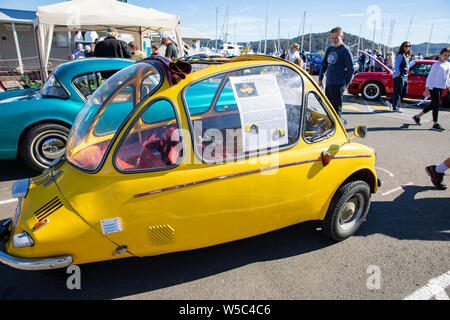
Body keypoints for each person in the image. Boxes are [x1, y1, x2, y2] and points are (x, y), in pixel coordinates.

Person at [318, 27, 354, 125]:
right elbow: (324, 65)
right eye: (332, 38)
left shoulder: (345, 50)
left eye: (336, 38)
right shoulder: (330, 49)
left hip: (339, 84)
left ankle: (337, 127)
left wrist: (346, 83)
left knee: (336, 108)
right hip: (329, 83)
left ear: (341, 37)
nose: (334, 40)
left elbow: (351, 69)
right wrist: (320, 79)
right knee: (328, 107)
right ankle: (329, 126)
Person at [412, 47, 450, 131]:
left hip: (441, 87)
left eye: (448, 55)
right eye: (444, 55)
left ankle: (417, 116)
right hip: (434, 87)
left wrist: (448, 86)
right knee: (436, 105)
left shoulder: (448, 64)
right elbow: (430, 78)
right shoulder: (436, 65)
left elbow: (447, 77)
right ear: (440, 55)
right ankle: (435, 124)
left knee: (433, 105)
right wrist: (427, 89)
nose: (446, 57)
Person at [391, 41, 411, 112]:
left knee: (404, 92)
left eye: (409, 46)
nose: (407, 47)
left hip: (405, 76)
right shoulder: (400, 55)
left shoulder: (406, 55)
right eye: (406, 46)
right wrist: (398, 73)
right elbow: (396, 65)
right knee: (398, 92)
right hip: (400, 76)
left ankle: (392, 102)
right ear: (402, 46)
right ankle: (396, 106)